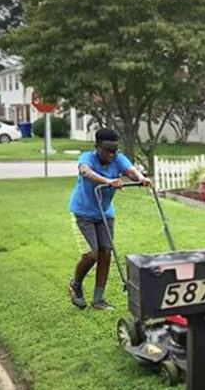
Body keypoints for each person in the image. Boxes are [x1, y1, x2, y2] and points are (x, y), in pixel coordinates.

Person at [67, 128, 152, 310]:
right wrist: (108, 181)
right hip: (83, 213)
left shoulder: (118, 158)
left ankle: (98, 300)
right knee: (92, 255)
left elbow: (130, 170)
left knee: (106, 253)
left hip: (105, 213)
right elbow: (86, 172)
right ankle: (75, 284)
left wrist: (141, 178)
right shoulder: (87, 158)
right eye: (107, 150)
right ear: (97, 147)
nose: (112, 155)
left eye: (114, 150)